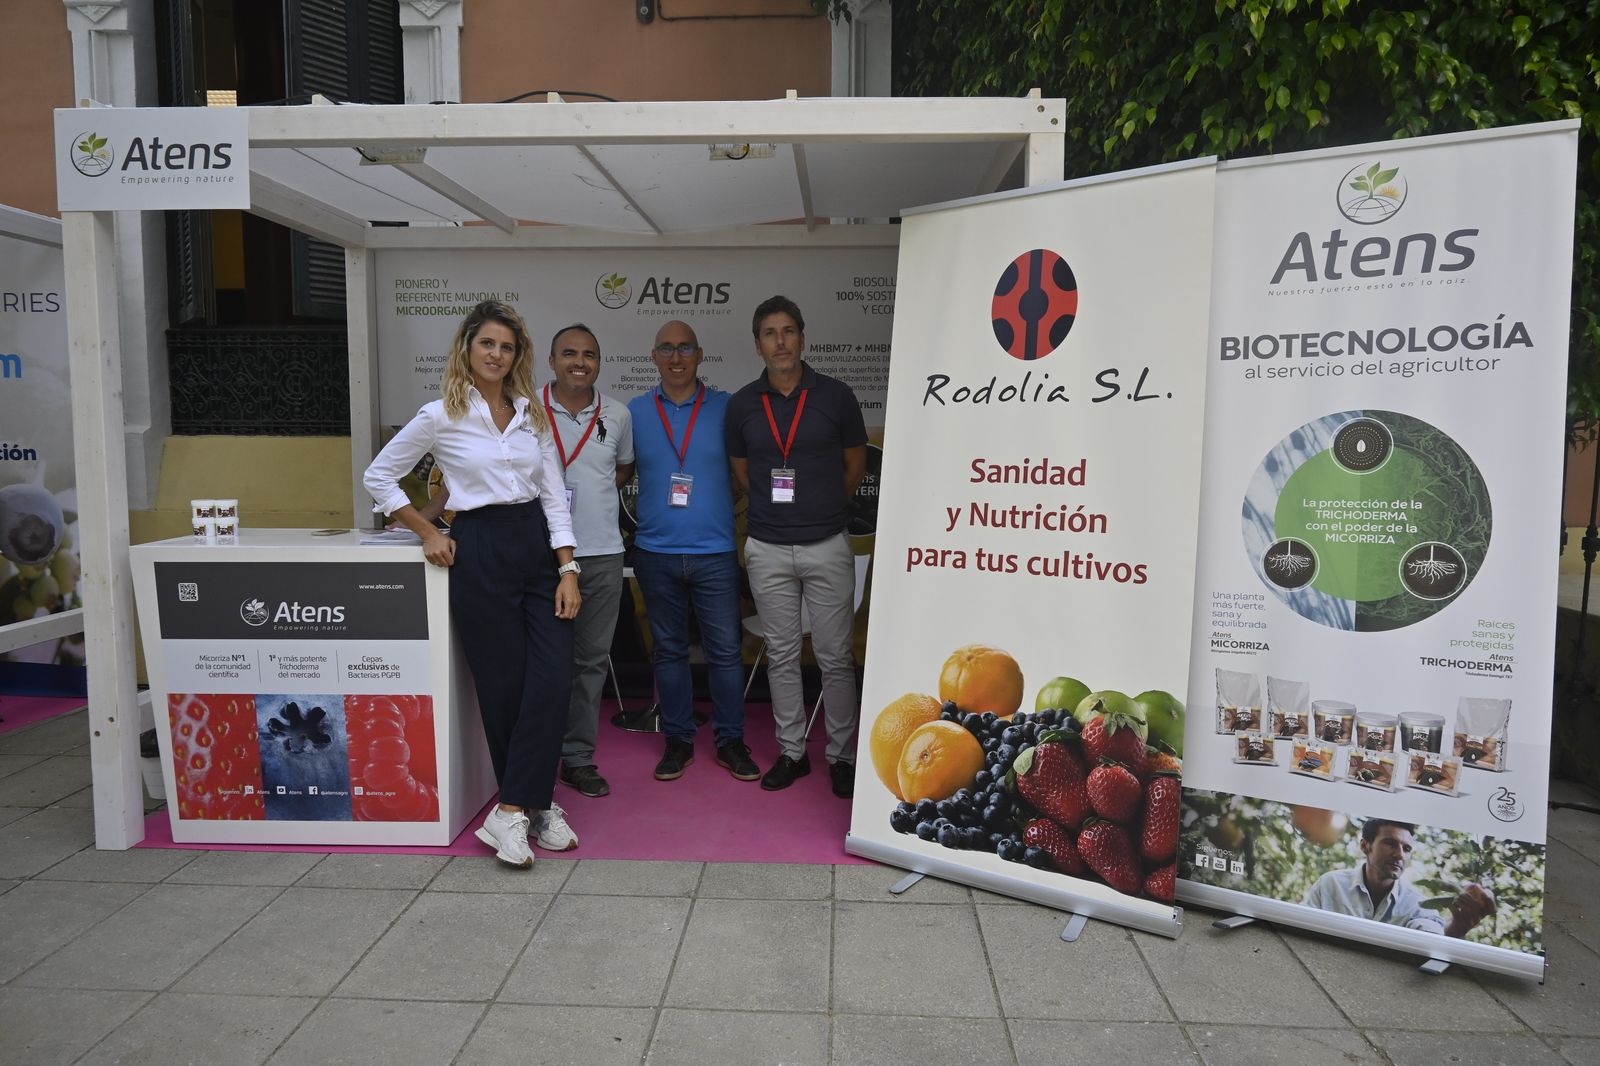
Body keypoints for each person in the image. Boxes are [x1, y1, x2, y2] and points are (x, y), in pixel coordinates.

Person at [363, 300, 581, 869]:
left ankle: (513, 807)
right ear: (467, 347)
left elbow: (553, 495)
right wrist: (427, 531)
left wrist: (568, 568)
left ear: (517, 356)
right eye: (487, 343)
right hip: (479, 547)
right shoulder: (439, 415)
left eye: (507, 347)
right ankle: (533, 805)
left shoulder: (533, 414)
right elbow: (379, 476)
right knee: (503, 687)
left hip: (535, 544)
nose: (496, 354)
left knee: (554, 677)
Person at [726, 295, 868, 797]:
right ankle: (792, 752)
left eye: (788, 331)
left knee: (834, 657)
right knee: (782, 655)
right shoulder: (743, 404)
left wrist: (822, 507)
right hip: (767, 547)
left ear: (802, 338)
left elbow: (855, 467)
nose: (780, 341)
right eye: (770, 333)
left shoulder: (836, 396)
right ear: (758, 344)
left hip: (827, 544)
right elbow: (744, 473)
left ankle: (842, 757)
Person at [626, 320, 760, 784]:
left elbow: (744, 472)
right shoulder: (634, 412)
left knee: (725, 653)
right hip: (655, 552)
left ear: (700, 354)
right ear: (653, 356)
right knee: (669, 653)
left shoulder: (727, 407)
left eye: (685, 348)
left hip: (715, 552)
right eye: (666, 348)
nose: (676, 357)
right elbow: (617, 474)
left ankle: (730, 741)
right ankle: (678, 741)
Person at [542, 324, 635, 798]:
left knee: (591, 662)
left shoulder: (617, 414)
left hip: (601, 555)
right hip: (539, 556)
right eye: (569, 353)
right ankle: (533, 757)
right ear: (551, 361)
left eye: (589, 355)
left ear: (599, 362)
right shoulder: (525, 409)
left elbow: (622, 469)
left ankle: (577, 759)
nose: (579, 362)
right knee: (539, 662)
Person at [1303, 818, 1496, 937]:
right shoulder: (1331, 884)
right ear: (1365, 846)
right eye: (1390, 843)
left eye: (1407, 848)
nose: (1399, 854)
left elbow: (1431, 936)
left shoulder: (1418, 903)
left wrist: (1458, 927)